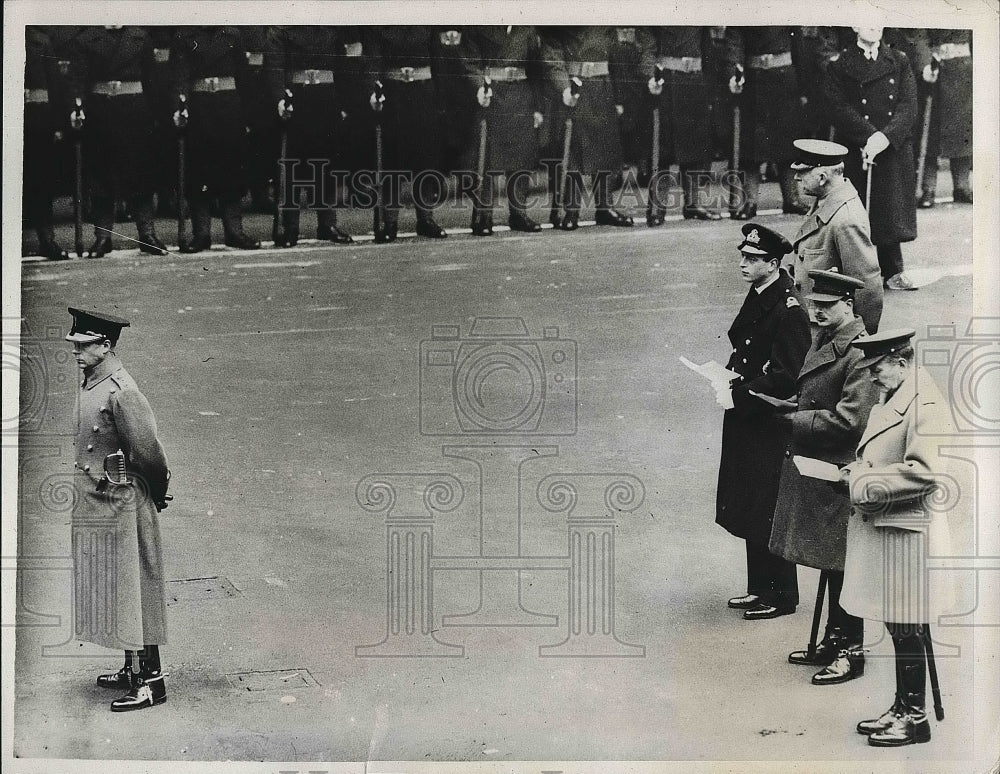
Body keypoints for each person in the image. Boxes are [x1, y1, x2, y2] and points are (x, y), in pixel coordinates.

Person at [840, 329, 956, 746]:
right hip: (892, 526)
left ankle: (914, 716)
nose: (871, 378)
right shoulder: (898, 393)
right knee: (898, 621)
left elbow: (925, 473)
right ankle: (903, 707)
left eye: (876, 369)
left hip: (908, 531)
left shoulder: (922, 402)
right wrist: (857, 473)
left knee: (907, 625)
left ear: (901, 363)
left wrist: (862, 481)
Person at [768, 270, 879, 684]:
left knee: (844, 563)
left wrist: (796, 419)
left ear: (848, 305)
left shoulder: (859, 352)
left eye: (827, 306)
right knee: (833, 563)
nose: (816, 312)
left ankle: (850, 648)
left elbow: (851, 419)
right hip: (820, 468)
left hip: (839, 470)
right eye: (815, 304)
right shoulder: (829, 338)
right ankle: (835, 638)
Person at [65, 307, 171, 712]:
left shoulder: (122, 391)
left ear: (105, 346)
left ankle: (152, 681)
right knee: (115, 588)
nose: (76, 351)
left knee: (137, 590)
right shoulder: (93, 381)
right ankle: (131, 668)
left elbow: (148, 453)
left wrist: (155, 493)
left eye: (83, 345)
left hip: (123, 503)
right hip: (98, 500)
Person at [716, 223, 811, 620]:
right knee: (751, 500)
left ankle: (782, 594)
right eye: (742, 256)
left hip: (766, 416)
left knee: (769, 503)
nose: (743, 264)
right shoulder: (761, 293)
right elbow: (745, 349)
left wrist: (739, 392)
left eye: (752, 259)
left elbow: (789, 375)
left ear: (773, 264)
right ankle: (759, 588)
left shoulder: (787, 308)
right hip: (747, 412)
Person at [823, 25, 919, 291]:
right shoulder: (840, 64)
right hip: (857, 145)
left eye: (878, 21)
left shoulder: (899, 60)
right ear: (855, 27)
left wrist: (884, 138)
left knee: (889, 205)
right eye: (867, 21)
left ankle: (894, 270)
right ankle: (855, 270)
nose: (874, 27)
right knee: (856, 212)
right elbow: (837, 107)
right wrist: (868, 136)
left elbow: (908, 105)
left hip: (892, 145)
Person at [63, 26, 168, 258]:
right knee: (101, 179)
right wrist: (75, 107)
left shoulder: (140, 38)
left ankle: (147, 235)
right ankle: (102, 238)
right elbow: (77, 79)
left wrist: (157, 115)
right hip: (101, 114)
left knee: (141, 177)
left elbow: (152, 79)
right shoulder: (85, 40)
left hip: (136, 113)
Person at [172, 26, 261, 252]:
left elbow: (244, 78)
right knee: (198, 173)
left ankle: (234, 231)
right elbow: (178, 75)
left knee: (231, 170)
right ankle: (201, 234)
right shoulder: (184, 35)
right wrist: (180, 105)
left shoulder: (232, 35)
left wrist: (248, 115)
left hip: (229, 107)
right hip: (199, 108)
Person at [540, 26, 635, 230]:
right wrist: (564, 88)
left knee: (604, 151)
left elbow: (616, 59)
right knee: (573, 154)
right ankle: (571, 210)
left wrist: (619, 97)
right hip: (572, 88)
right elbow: (553, 59)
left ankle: (605, 207)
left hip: (602, 88)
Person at [268, 26, 354, 247]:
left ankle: (327, 224)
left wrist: (344, 103)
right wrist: (279, 99)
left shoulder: (329, 26)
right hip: (296, 99)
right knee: (293, 167)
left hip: (326, 99)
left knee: (326, 165)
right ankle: (290, 227)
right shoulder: (282, 27)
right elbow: (275, 67)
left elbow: (342, 66)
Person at [787, 138, 883, 334]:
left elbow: (868, 288)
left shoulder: (845, 219)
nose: (796, 178)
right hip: (815, 320)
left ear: (822, 177)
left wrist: (861, 341)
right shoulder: (825, 200)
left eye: (802, 172)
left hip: (828, 329)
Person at [367, 26, 449, 241]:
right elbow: (374, 59)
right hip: (393, 93)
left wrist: (441, 97)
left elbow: (437, 58)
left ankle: (425, 218)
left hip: (424, 92)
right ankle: (390, 221)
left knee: (425, 158)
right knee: (393, 158)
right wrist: (374, 91)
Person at [465, 25, 546, 234]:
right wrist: (478, 87)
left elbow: (536, 70)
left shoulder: (526, 28)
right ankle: (484, 214)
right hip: (491, 95)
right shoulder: (479, 24)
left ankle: (518, 213)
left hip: (521, 95)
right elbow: (470, 63)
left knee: (521, 158)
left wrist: (537, 107)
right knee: (488, 159)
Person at [723, 27, 811, 218]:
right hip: (754, 81)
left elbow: (799, 47)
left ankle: (792, 199)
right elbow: (734, 44)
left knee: (788, 143)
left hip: (786, 80)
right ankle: (750, 202)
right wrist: (733, 73)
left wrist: (804, 87)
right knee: (752, 146)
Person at [639, 26, 723, 224]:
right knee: (663, 149)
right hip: (666, 82)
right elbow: (648, 48)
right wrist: (650, 76)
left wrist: (711, 89)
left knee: (695, 146)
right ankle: (657, 207)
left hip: (695, 81)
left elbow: (707, 49)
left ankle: (693, 204)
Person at [909, 29, 973, 207]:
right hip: (935, 69)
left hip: (965, 71)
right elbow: (918, 35)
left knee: (964, 129)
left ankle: (962, 186)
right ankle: (928, 187)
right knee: (931, 132)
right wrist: (924, 65)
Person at [23, 26, 70, 260]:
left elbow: (55, 85)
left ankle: (47, 240)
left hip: (36, 118)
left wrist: (58, 124)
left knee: (40, 183)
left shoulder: (40, 41)